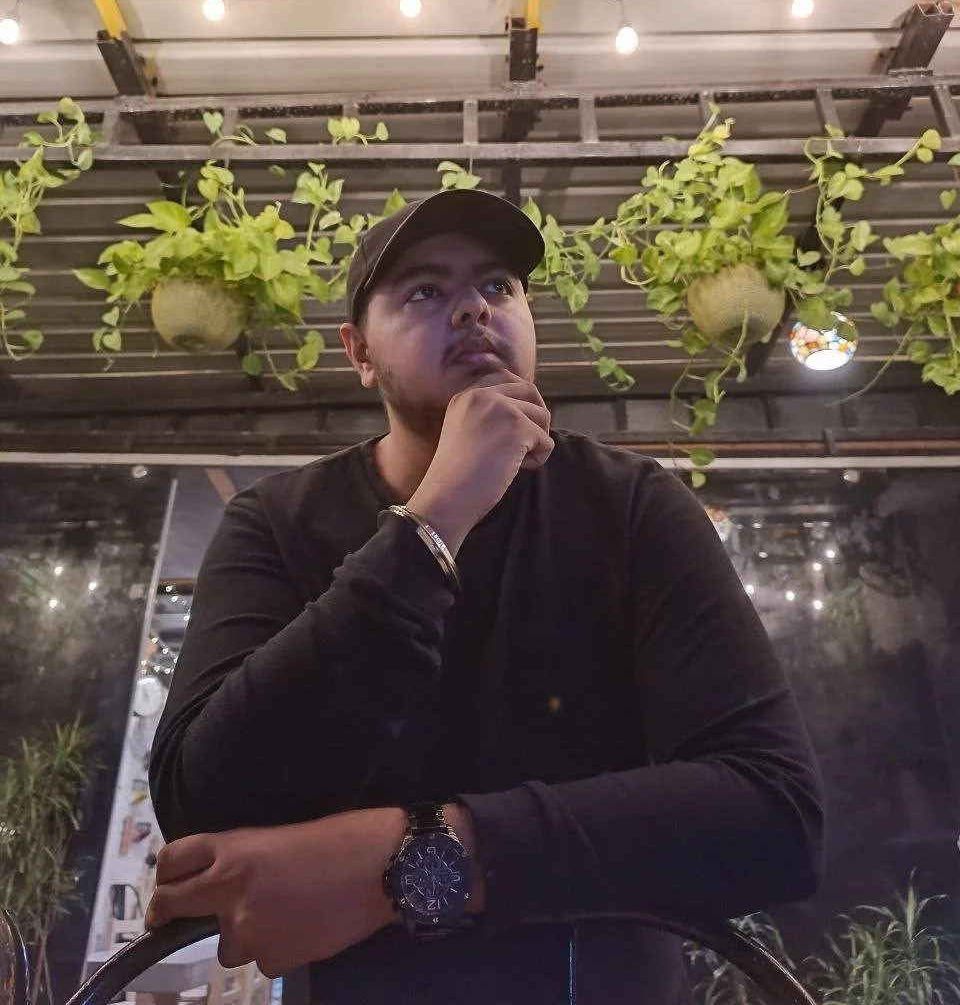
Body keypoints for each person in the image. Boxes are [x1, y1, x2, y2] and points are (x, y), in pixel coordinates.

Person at [146, 188, 825, 1005]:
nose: (474, 308)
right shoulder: (278, 523)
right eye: (425, 290)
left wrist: (415, 857)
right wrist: (434, 522)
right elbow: (203, 811)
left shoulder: (632, 505)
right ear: (359, 352)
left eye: (498, 285)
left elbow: (775, 816)